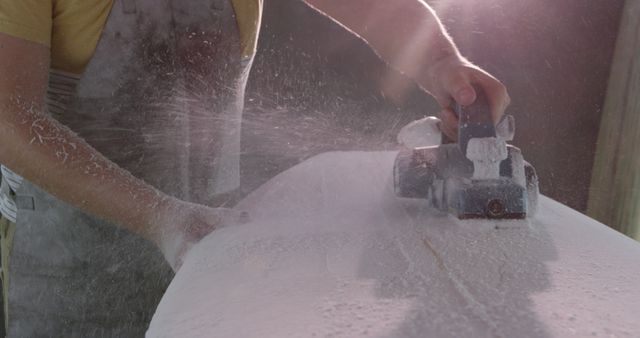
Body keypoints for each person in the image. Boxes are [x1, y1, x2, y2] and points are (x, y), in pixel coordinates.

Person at [0, 0, 509, 336]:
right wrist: (160, 216)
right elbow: (7, 115)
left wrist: (440, 61)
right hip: (65, 254)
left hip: (210, 234)